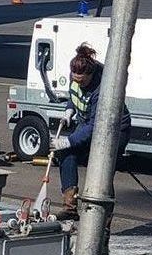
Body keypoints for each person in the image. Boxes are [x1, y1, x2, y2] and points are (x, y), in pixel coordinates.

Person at [52, 43, 131, 221]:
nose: (78, 82)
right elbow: (74, 94)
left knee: (101, 169)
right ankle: (70, 206)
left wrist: (69, 140)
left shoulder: (101, 90)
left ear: (91, 75)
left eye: (82, 80)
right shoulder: (76, 75)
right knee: (66, 155)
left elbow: (95, 125)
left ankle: (104, 220)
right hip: (89, 125)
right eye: (75, 78)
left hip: (114, 131)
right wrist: (69, 110)